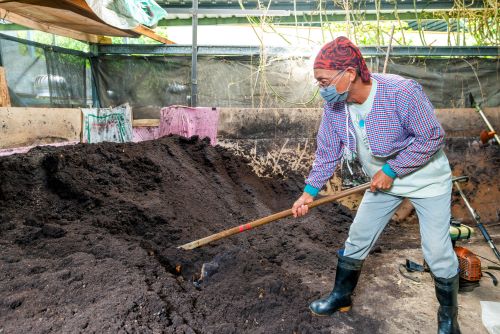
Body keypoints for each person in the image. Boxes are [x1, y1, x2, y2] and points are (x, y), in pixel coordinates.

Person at [291, 36, 460, 334]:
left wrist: (393, 169)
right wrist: (308, 194)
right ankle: (340, 296)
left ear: (350, 74)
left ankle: (448, 317)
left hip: (427, 181)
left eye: (324, 81)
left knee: (436, 250)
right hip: (383, 183)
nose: (322, 89)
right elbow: (328, 151)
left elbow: (432, 137)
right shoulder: (337, 107)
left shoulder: (401, 92)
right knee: (358, 236)